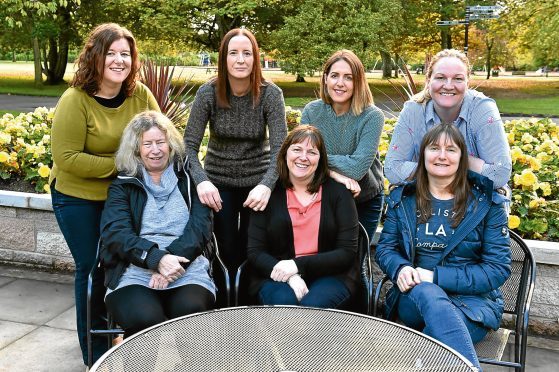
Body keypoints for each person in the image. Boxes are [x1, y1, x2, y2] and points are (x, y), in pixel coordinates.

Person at [49, 23, 159, 366]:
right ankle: (94, 351)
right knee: (93, 266)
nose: (119, 60)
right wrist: (123, 163)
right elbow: (66, 158)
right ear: (96, 57)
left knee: (127, 264)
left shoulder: (139, 95)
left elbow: (161, 135)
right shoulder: (75, 99)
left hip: (123, 199)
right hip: (77, 197)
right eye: (111, 53)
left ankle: (118, 333)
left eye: (125, 54)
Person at [375, 123, 511, 369]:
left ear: (462, 158)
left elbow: (497, 269)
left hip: (472, 305)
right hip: (413, 297)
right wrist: (401, 269)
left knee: (434, 345)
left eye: (451, 149)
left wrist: (435, 277)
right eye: (434, 148)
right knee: (427, 291)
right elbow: (386, 249)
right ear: (422, 155)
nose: (441, 155)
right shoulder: (403, 199)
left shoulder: (487, 204)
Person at [100, 111, 215, 338]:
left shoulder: (192, 181)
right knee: (144, 319)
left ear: (170, 144)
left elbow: (201, 229)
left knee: (190, 313)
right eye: (148, 144)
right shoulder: (123, 186)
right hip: (133, 270)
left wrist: (170, 261)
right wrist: (156, 259)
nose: (155, 150)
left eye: (161, 142)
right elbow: (116, 233)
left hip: (187, 268)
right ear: (136, 149)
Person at [184, 28, 287, 277]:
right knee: (226, 253)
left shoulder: (271, 95)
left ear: (255, 58)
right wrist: (202, 181)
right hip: (218, 186)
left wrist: (267, 185)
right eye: (233, 53)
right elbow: (188, 145)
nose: (240, 60)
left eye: (246, 53)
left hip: (257, 185)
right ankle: (223, 307)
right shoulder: (208, 93)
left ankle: (250, 308)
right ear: (224, 58)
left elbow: (280, 149)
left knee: (253, 252)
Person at [247, 125, 359, 308]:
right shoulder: (267, 194)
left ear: (320, 159)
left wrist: (298, 265)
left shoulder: (339, 194)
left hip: (331, 275)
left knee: (313, 307)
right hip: (277, 274)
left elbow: (347, 252)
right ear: (285, 154)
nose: (303, 157)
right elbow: (255, 251)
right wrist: (291, 275)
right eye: (297, 149)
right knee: (285, 306)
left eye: (312, 152)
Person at [385, 49, 512, 191]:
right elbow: (392, 169)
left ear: (467, 83)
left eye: (458, 78)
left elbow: (499, 174)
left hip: (476, 199)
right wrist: (468, 165)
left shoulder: (482, 109)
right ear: (428, 80)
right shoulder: (413, 110)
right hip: (426, 199)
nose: (449, 85)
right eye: (440, 77)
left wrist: (445, 163)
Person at [301, 49, 385, 241]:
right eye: (334, 76)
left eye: (348, 77)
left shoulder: (372, 116)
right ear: (325, 79)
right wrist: (334, 174)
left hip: (363, 199)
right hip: (321, 197)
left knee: (356, 264)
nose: (340, 83)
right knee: (324, 259)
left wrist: (317, 158)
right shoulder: (311, 112)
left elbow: (356, 169)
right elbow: (300, 159)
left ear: (358, 82)